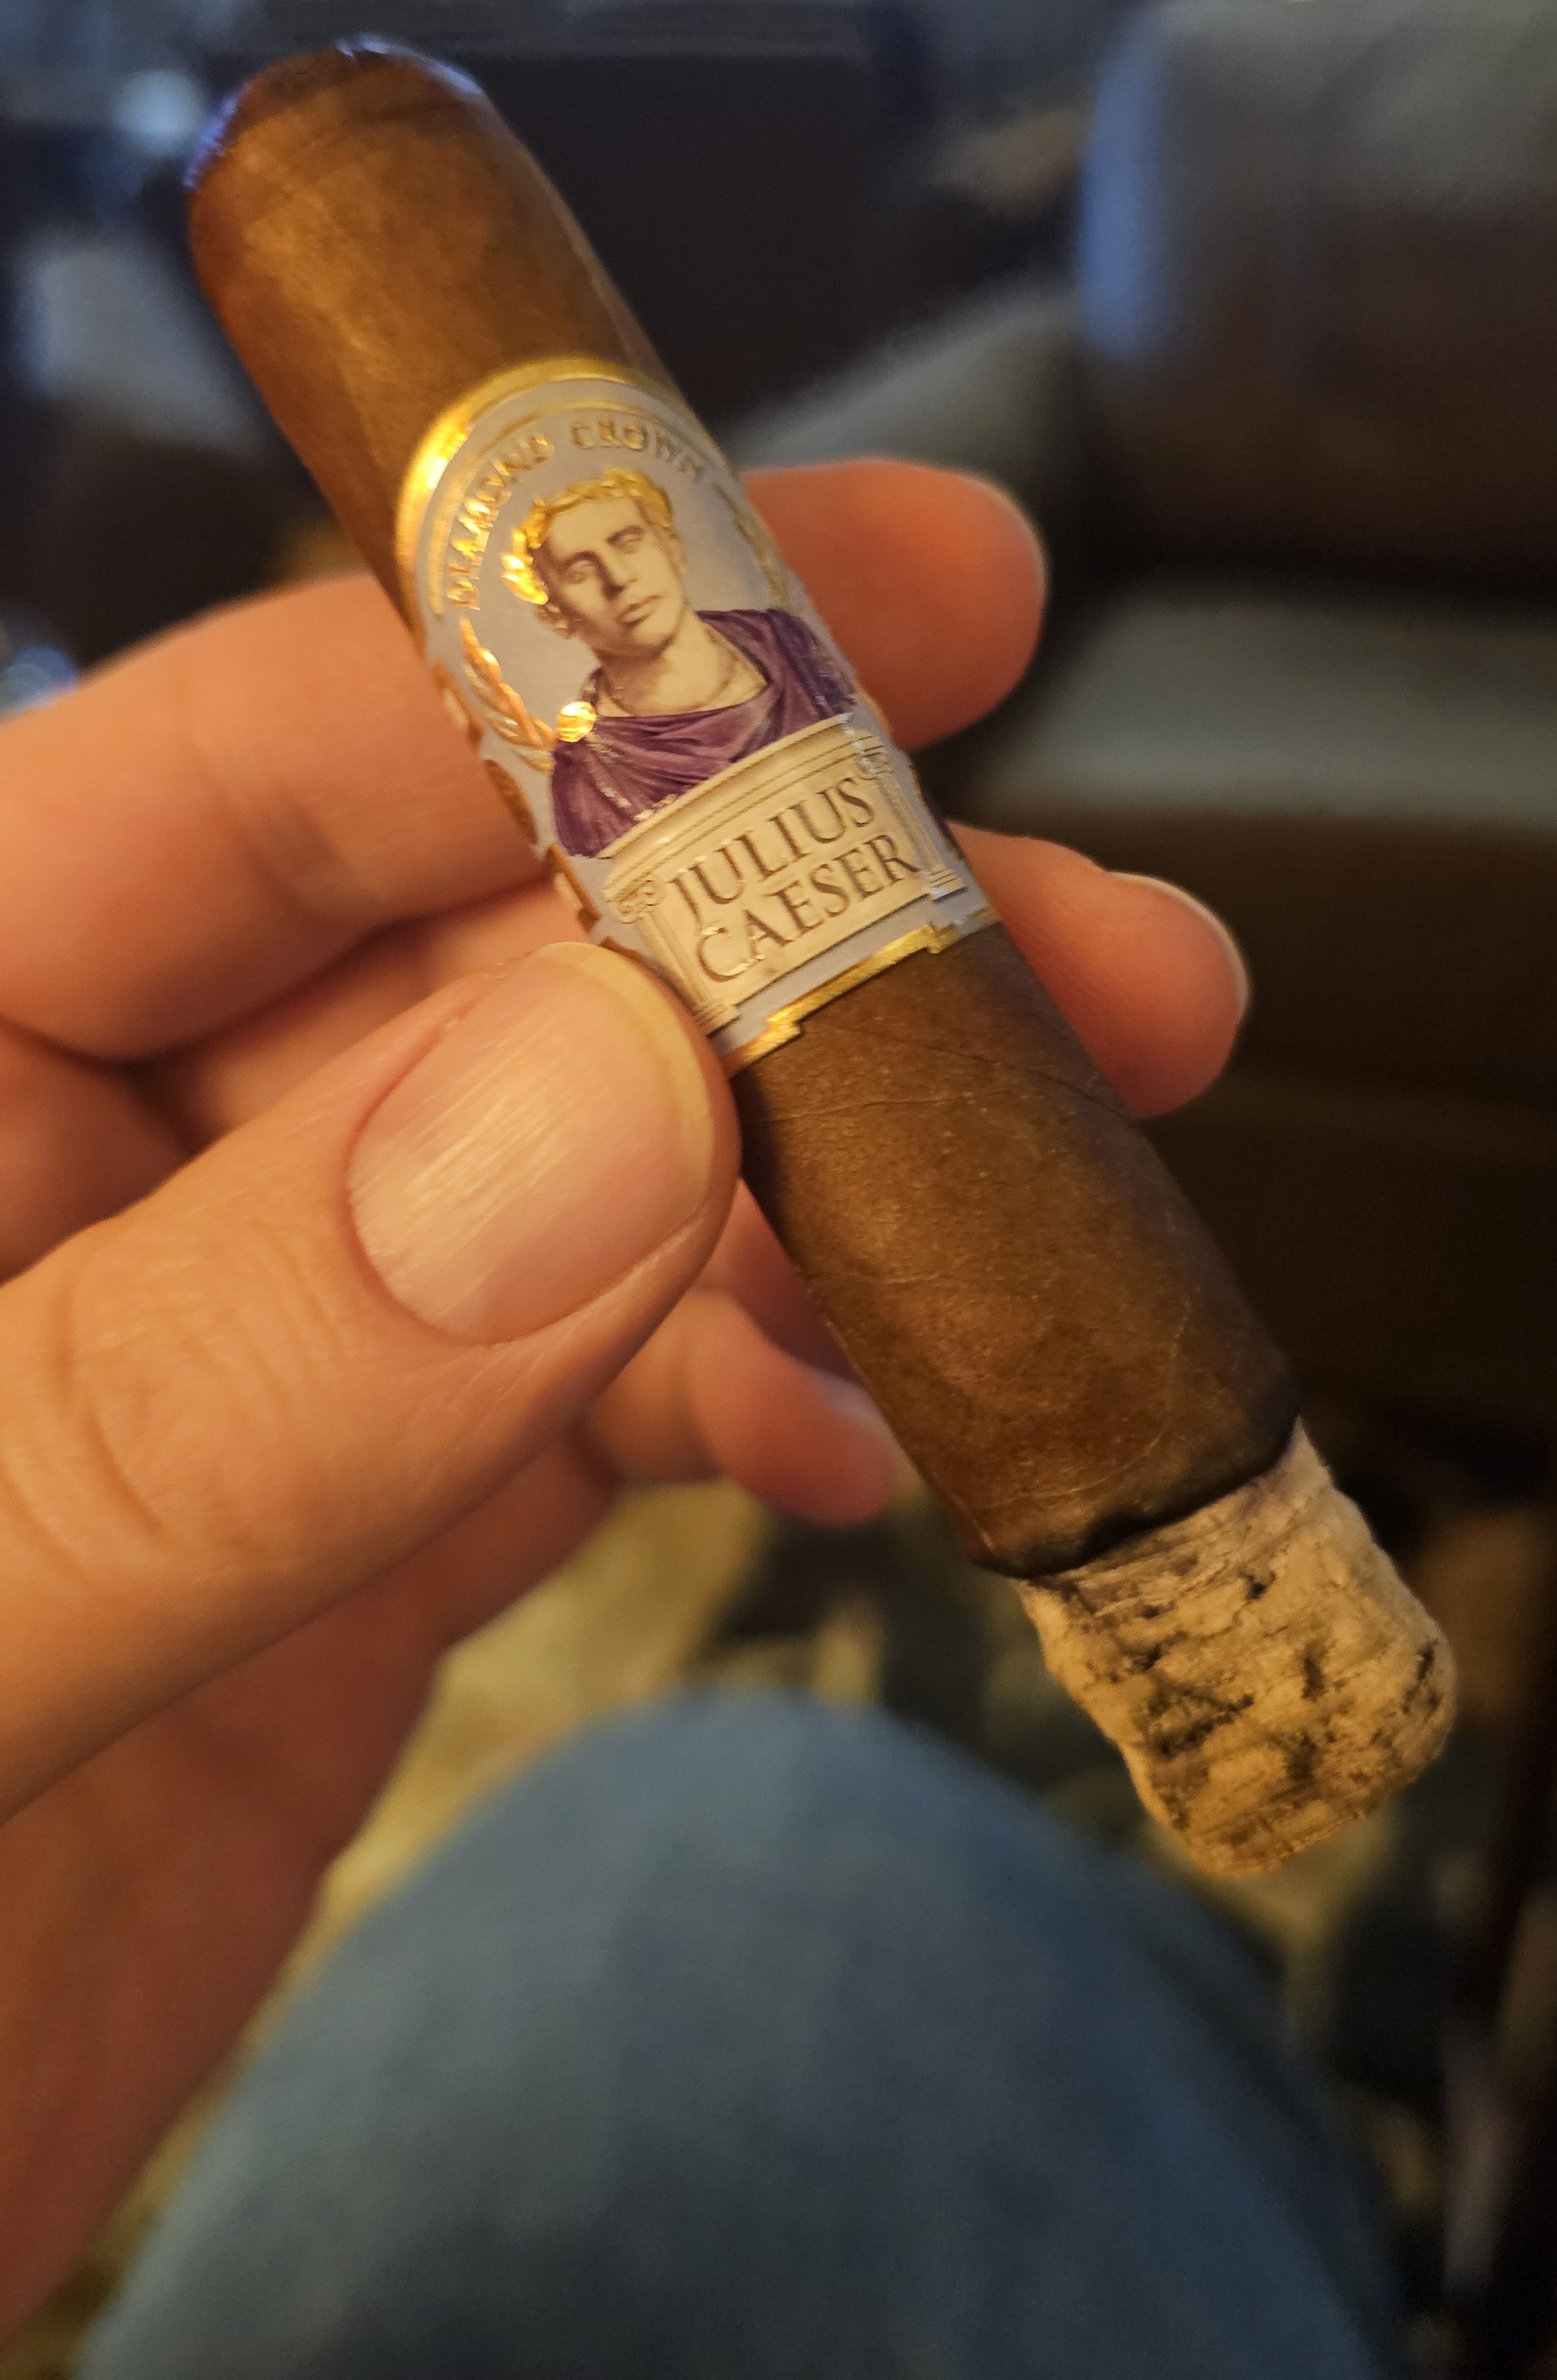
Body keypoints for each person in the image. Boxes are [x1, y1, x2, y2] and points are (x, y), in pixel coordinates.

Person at [0, 460, 1405, 2374]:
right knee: (732, 1831)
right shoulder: (595, 756)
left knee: (711, 1820)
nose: (603, 581)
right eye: (565, 569)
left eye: (618, 542)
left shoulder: (769, 661)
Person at [511, 467, 853, 854]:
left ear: (673, 549)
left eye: (628, 543)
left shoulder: (790, 647)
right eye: (581, 571)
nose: (618, 578)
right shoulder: (587, 778)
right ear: (556, 616)